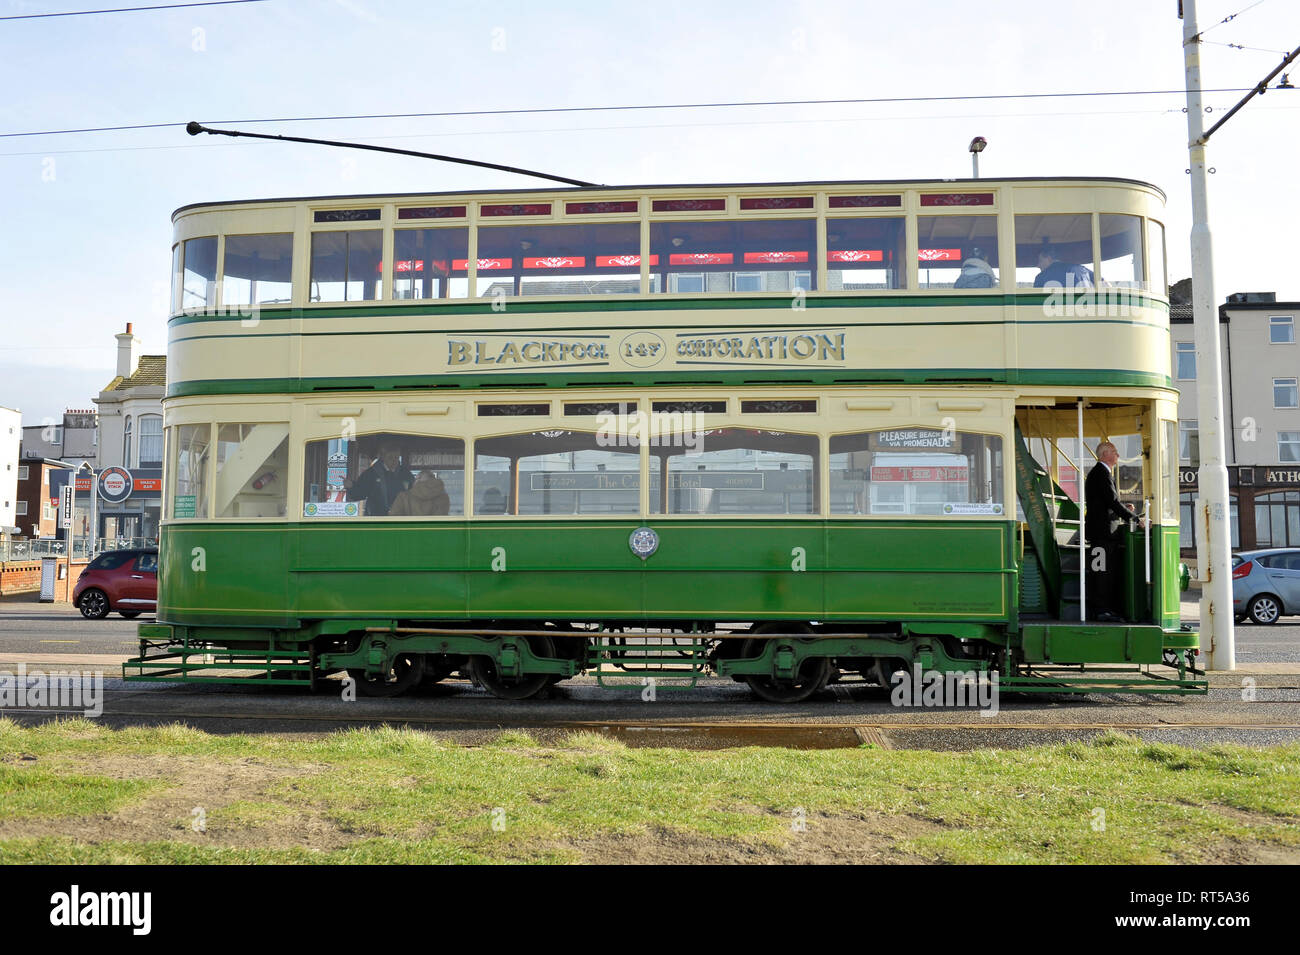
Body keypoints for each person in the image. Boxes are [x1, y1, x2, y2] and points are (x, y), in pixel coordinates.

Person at [1084, 441, 1142, 622]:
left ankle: (1103, 608)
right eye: (1115, 452)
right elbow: (1111, 502)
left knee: (1104, 572)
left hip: (1102, 531)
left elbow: (1107, 502)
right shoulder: (1101, 473)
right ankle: (1101, 610)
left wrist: (1125, 508)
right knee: (1102, 573)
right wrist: (1135, 518)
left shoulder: (1101, 473)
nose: (1117, 455)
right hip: (1102, 533)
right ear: (1105, 454)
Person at [345, 444, 411, 517]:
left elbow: (413, 493)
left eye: (396, 457)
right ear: (382, 457)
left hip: (401, 517)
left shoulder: (406, 474)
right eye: (390, 457)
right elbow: (359, 495)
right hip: (377, 518)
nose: (394, 460)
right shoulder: (371, 474)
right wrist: (351, 487)